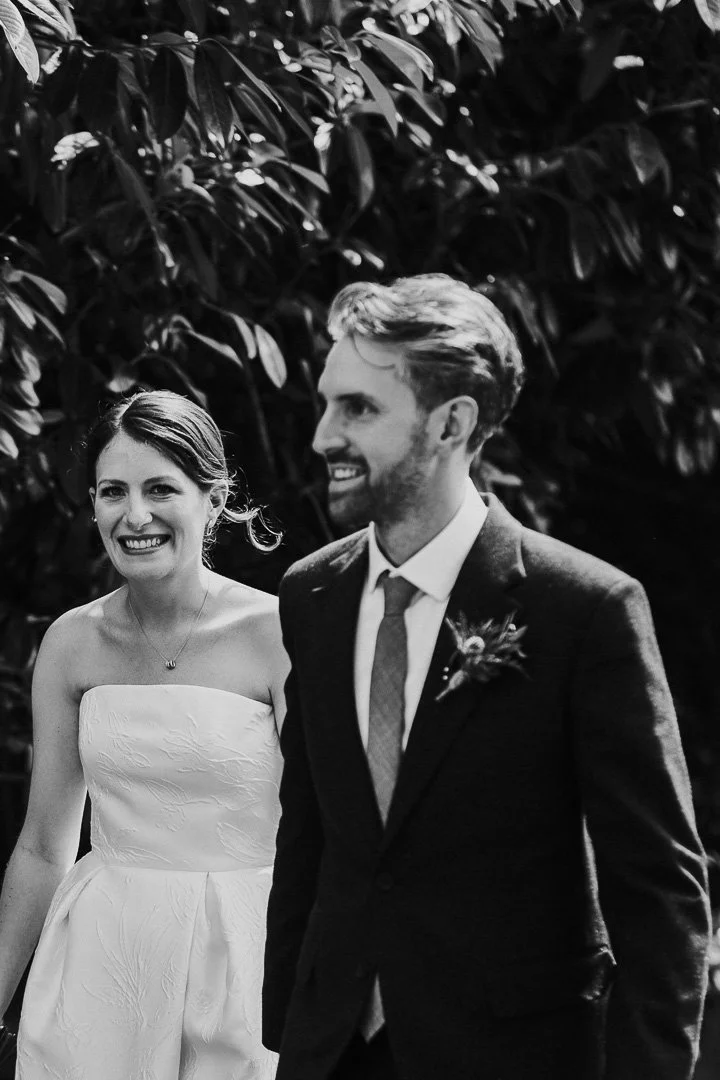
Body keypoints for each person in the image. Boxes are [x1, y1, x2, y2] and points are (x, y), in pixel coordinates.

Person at [262, 274, 711, 1080]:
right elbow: (311, 828)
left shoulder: (585, 608)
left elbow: (659, 886)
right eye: (327, 404)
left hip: (511, 1053)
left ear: (452, 422)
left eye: (358, 408)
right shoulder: (311, 594)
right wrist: (287, 1025)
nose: (323, 435)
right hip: (332, 1050)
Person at [0, 390, 287, 1079]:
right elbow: (44, 843)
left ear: (212, 499)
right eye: (112, 491)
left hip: (246, 955)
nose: (135, 516)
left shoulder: (279, 634)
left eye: (161, 488)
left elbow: (330, 827)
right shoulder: (71, 643)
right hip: (102, 961)